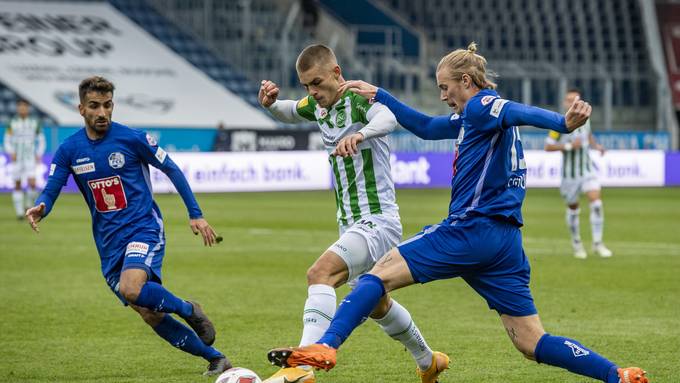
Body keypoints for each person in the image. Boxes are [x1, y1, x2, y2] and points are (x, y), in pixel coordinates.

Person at [265, 44, 648, 383]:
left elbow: (515, 110)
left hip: (470, 229)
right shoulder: (472, 117)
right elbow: (428, 128)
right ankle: (617, 374)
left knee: (378, 275)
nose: (444, 96)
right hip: (504, 243)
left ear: (466, 81)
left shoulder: (482, 104)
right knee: (531, 341)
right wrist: (381, 94)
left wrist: (561, 123)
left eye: (445, 88)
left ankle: (325, 347)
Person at [258, 44, 446, 383]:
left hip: (378, 219)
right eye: (305, 86)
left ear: (336, 73)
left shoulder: (358, 100)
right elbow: (289, 110)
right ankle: (428, 361)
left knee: (320, 273)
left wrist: (361, 133)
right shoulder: (318, 105)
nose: (312, 93)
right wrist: (271, 104)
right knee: (378, 305)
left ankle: (301, 366)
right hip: (351, 224)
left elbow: (388, 117)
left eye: (316, 83)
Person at [25, 76, 231, 376]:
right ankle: (216, 358)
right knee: (148, 313)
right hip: (108, 244)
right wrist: (43, 205)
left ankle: (189, 310)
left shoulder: (133, 139)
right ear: (81, 109)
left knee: (132, 288)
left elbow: (170, 167)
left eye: (107, 105)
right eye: (94, 106)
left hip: (143, 228)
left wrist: (195, 213)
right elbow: (53, 185)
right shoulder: (70, 149)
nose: (102, 113)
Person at [545, 88, 612, 259]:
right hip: (570, 176)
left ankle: (598, 243)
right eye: (569, 100)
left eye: (576, 99)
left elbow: (588, 136)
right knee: (573, 209)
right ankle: (577, 243)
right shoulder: (558, 123)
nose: (573, 102)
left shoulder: (585, 119)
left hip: (587, 170)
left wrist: (596, 146)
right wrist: (568, 146)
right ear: (565, 103)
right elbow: (548, 146)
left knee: (596, 203)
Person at [3, 99, 45, 220]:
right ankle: (19, 213)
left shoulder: (34, 123)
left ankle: (28, 205)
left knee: (32, 183)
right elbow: (6, 139)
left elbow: (41, 139)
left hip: (30, 158)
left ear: (28, 109)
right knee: (17, 184)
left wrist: (39, 153)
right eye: (20, 107)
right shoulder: (12, 123)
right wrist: (11, 152)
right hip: (17, 159)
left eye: (24, 107)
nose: (22, 109)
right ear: (17, 108)